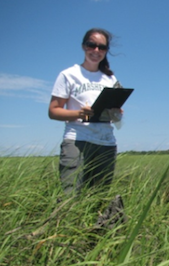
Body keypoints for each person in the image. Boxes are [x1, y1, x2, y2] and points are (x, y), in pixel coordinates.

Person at [48, 28, 123, 195]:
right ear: (84, 46)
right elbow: (53, 111)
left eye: (102, 47)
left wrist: (117, 112)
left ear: (106, 51)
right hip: (78, 140)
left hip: (106, 143)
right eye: (92, 45)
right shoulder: (69, 75)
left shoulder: (111, 79)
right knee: (70, 195)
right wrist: (79, 114)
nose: (96, 51)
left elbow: (117, 117)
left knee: (99, 196)